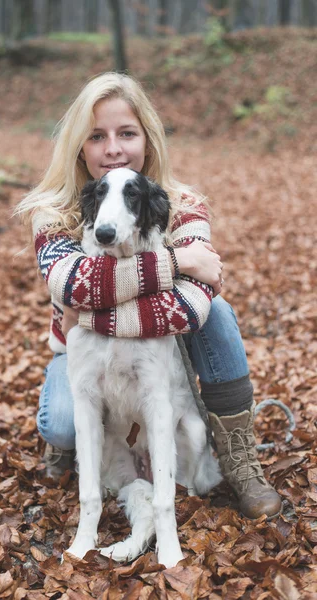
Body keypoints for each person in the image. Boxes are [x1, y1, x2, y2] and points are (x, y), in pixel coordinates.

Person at [16, 72, 281, 519]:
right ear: (79, 145)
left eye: (126, 133)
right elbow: (73, 285)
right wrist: (178, 264)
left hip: (159, 351)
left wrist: (85, 312)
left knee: (215, 310)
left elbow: (192, 305)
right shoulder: (54, 211)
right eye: (97, 136)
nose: (113, 148)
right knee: (61, 425)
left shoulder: (183, 203)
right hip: (83, 353)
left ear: (149, 139)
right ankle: (76, 447)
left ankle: (239, 459)